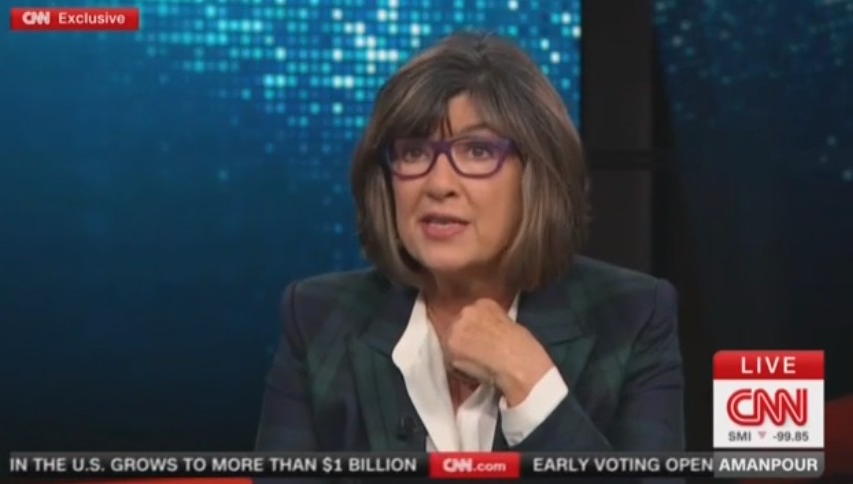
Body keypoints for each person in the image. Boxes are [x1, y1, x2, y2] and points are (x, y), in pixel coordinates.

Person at [256, 31, 684, 459]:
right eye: (413, 152)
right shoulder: (318, 320)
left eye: (478, 151)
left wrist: (529, 381)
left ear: (535, 175)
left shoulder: (632, 318)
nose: (439, 184)